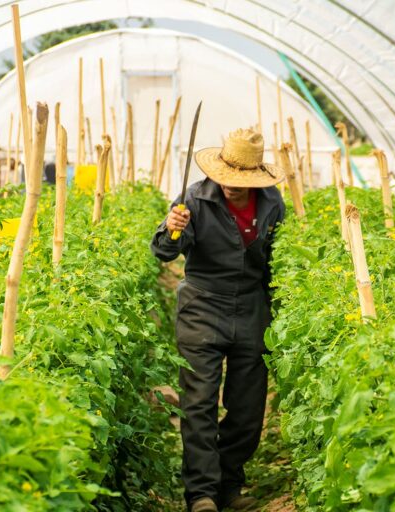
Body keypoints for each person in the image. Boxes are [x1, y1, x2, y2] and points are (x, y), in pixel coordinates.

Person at [150, 128, 286, 512]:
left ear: (256, 177)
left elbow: (277, 259)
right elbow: (164, 252)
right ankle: (202, 494)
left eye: (240, 180)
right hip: (202, 307)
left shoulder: (272, 202)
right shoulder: (194, 198)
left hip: (251, 309)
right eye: (226, 176)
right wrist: (171, 229)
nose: (230, 185)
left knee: (247, 409)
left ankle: (229, 486)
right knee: (199, 403)